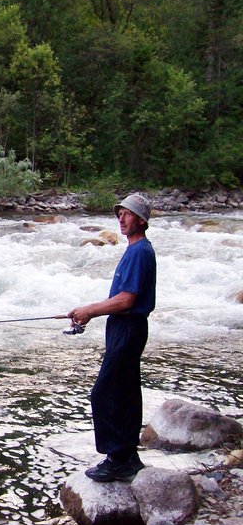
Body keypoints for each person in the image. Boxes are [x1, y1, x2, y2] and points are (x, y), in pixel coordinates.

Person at [68, 193, 157, 482]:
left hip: (128, 328)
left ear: (141, 220)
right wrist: (91, 311)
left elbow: (127, 300)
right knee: (125, 393)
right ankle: (128, 457)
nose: (121, 218)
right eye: (119, 213)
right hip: (126, 328)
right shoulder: (137, 250)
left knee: (106, 394)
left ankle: (118, 459)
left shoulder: (139, 251)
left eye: (127, 214)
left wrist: (90, 310)